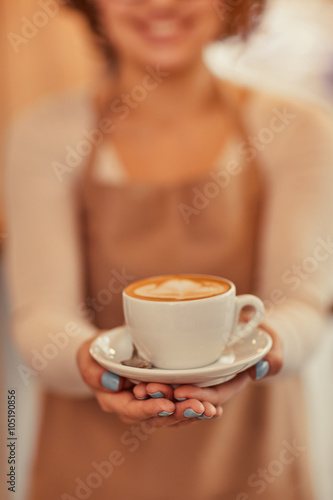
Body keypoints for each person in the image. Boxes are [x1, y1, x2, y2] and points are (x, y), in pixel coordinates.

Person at [5, 0, 333, 499]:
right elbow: (40, 315)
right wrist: (95, 366)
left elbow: (303, 304)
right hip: (90, 465)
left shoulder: (299, 128)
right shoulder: (43, 135)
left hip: (253, 455)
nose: (160, 3)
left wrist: (259, 351)